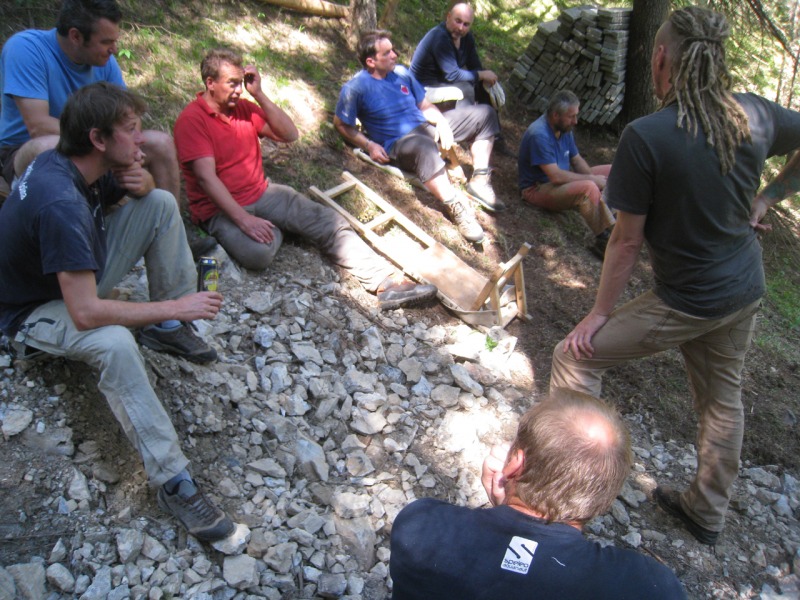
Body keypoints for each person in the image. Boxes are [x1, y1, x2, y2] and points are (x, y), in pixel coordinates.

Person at [550, 6, 800, 545]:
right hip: (745, 290)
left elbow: (626, 239)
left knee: (574, 356)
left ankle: (568, 492)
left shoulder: (648, 135)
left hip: (691, 299)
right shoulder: (755, 114)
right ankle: (706, 512)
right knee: (721, 400)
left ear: (660, 58)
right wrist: (768, 199)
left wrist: (598, 314)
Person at [0, 82, 235, 541]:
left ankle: (169, 328)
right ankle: (174, 480)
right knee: (113, 341)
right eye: (131, 130)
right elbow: (85, 314)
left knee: (161, 203)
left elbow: (130, 193)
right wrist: (172, 302)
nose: (141, 138)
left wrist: (144, 180)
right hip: (30, 310)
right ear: (98, 139)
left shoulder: (70, 163)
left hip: (63, 279)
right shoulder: (61, 203)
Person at [173, 49, 437, 311]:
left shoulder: (244, 108)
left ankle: (385, 282)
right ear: (210, 83)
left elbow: (289, 134)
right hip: (220, 210)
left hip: (263, 194)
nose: (238, 90)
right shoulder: (192, 120)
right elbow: (207, 180)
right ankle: (277, 229)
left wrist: (260, 95)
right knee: (259, 253)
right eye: (232, 84)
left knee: (329, 222)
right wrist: (245, 221)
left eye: (240, 83)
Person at [389, 390, 687, 599]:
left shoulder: (421, 526)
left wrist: (505, 507)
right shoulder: (650, 587)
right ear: (603, 499)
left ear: (515, 464)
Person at [0, 0, 179, 203]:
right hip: (27, 148)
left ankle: (170, 224)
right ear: (76, 36)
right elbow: (38, 126)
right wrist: (109, 145)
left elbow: (131, 118)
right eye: (105, 42)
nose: (113, 49)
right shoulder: (27, 48)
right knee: (47, 145)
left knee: (160, 143)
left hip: (98, 145)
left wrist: (130, 155)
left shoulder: (104, 61)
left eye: (114, 41)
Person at [334, 30, 504, 244]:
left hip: (425, 127)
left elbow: (424, 105)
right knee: (424, 146)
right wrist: (369, 145)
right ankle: (455, 207)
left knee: (484, 114)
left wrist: (441, 122)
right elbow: (341, 124)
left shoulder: (402, 73)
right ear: (371, 61)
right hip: (400, 142)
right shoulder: (355, 88)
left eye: (393, 49)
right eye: (387, 53)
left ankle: (479, 179)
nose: (394, 55)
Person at [518, 90, 615, 258]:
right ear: (556, 115)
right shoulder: (539, 134)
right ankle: (604, 239)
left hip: (560, 181)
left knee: (613, 171)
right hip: (538, 188)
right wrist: (593, 180)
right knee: (588, 187)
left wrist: (596, 179)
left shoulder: (564, 129)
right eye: (571, 116)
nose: (575, 121)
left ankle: (617, 218)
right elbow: (555, 176)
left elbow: (576, 161)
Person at [409, 1, 499, 109]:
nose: (461, 28)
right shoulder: (440, 37)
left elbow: (476, 67)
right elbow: (453, 75)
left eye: (466, 24)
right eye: (458, 21)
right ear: (448, 17)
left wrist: (483, 78)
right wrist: (481, 75)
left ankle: (485, 121)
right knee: (466, 90)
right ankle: (464, 122)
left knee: (484, 86)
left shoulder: (467, 39)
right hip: (422, 88)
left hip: (443, 83)